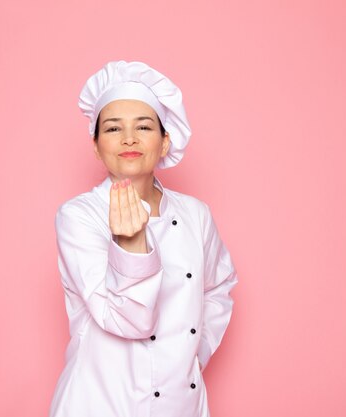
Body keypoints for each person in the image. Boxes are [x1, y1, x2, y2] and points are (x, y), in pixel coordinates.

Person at [48, 60, 238, 417]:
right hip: (99, 401)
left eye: (144, 126)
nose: (129, 139)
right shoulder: (79, 216)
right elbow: (127, 321)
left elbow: (219, 287)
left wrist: (192, 350)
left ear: (165, 141)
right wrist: (130, 244)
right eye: (113, 128)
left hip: (180, 403)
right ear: (95, 145)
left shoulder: (196, 214)